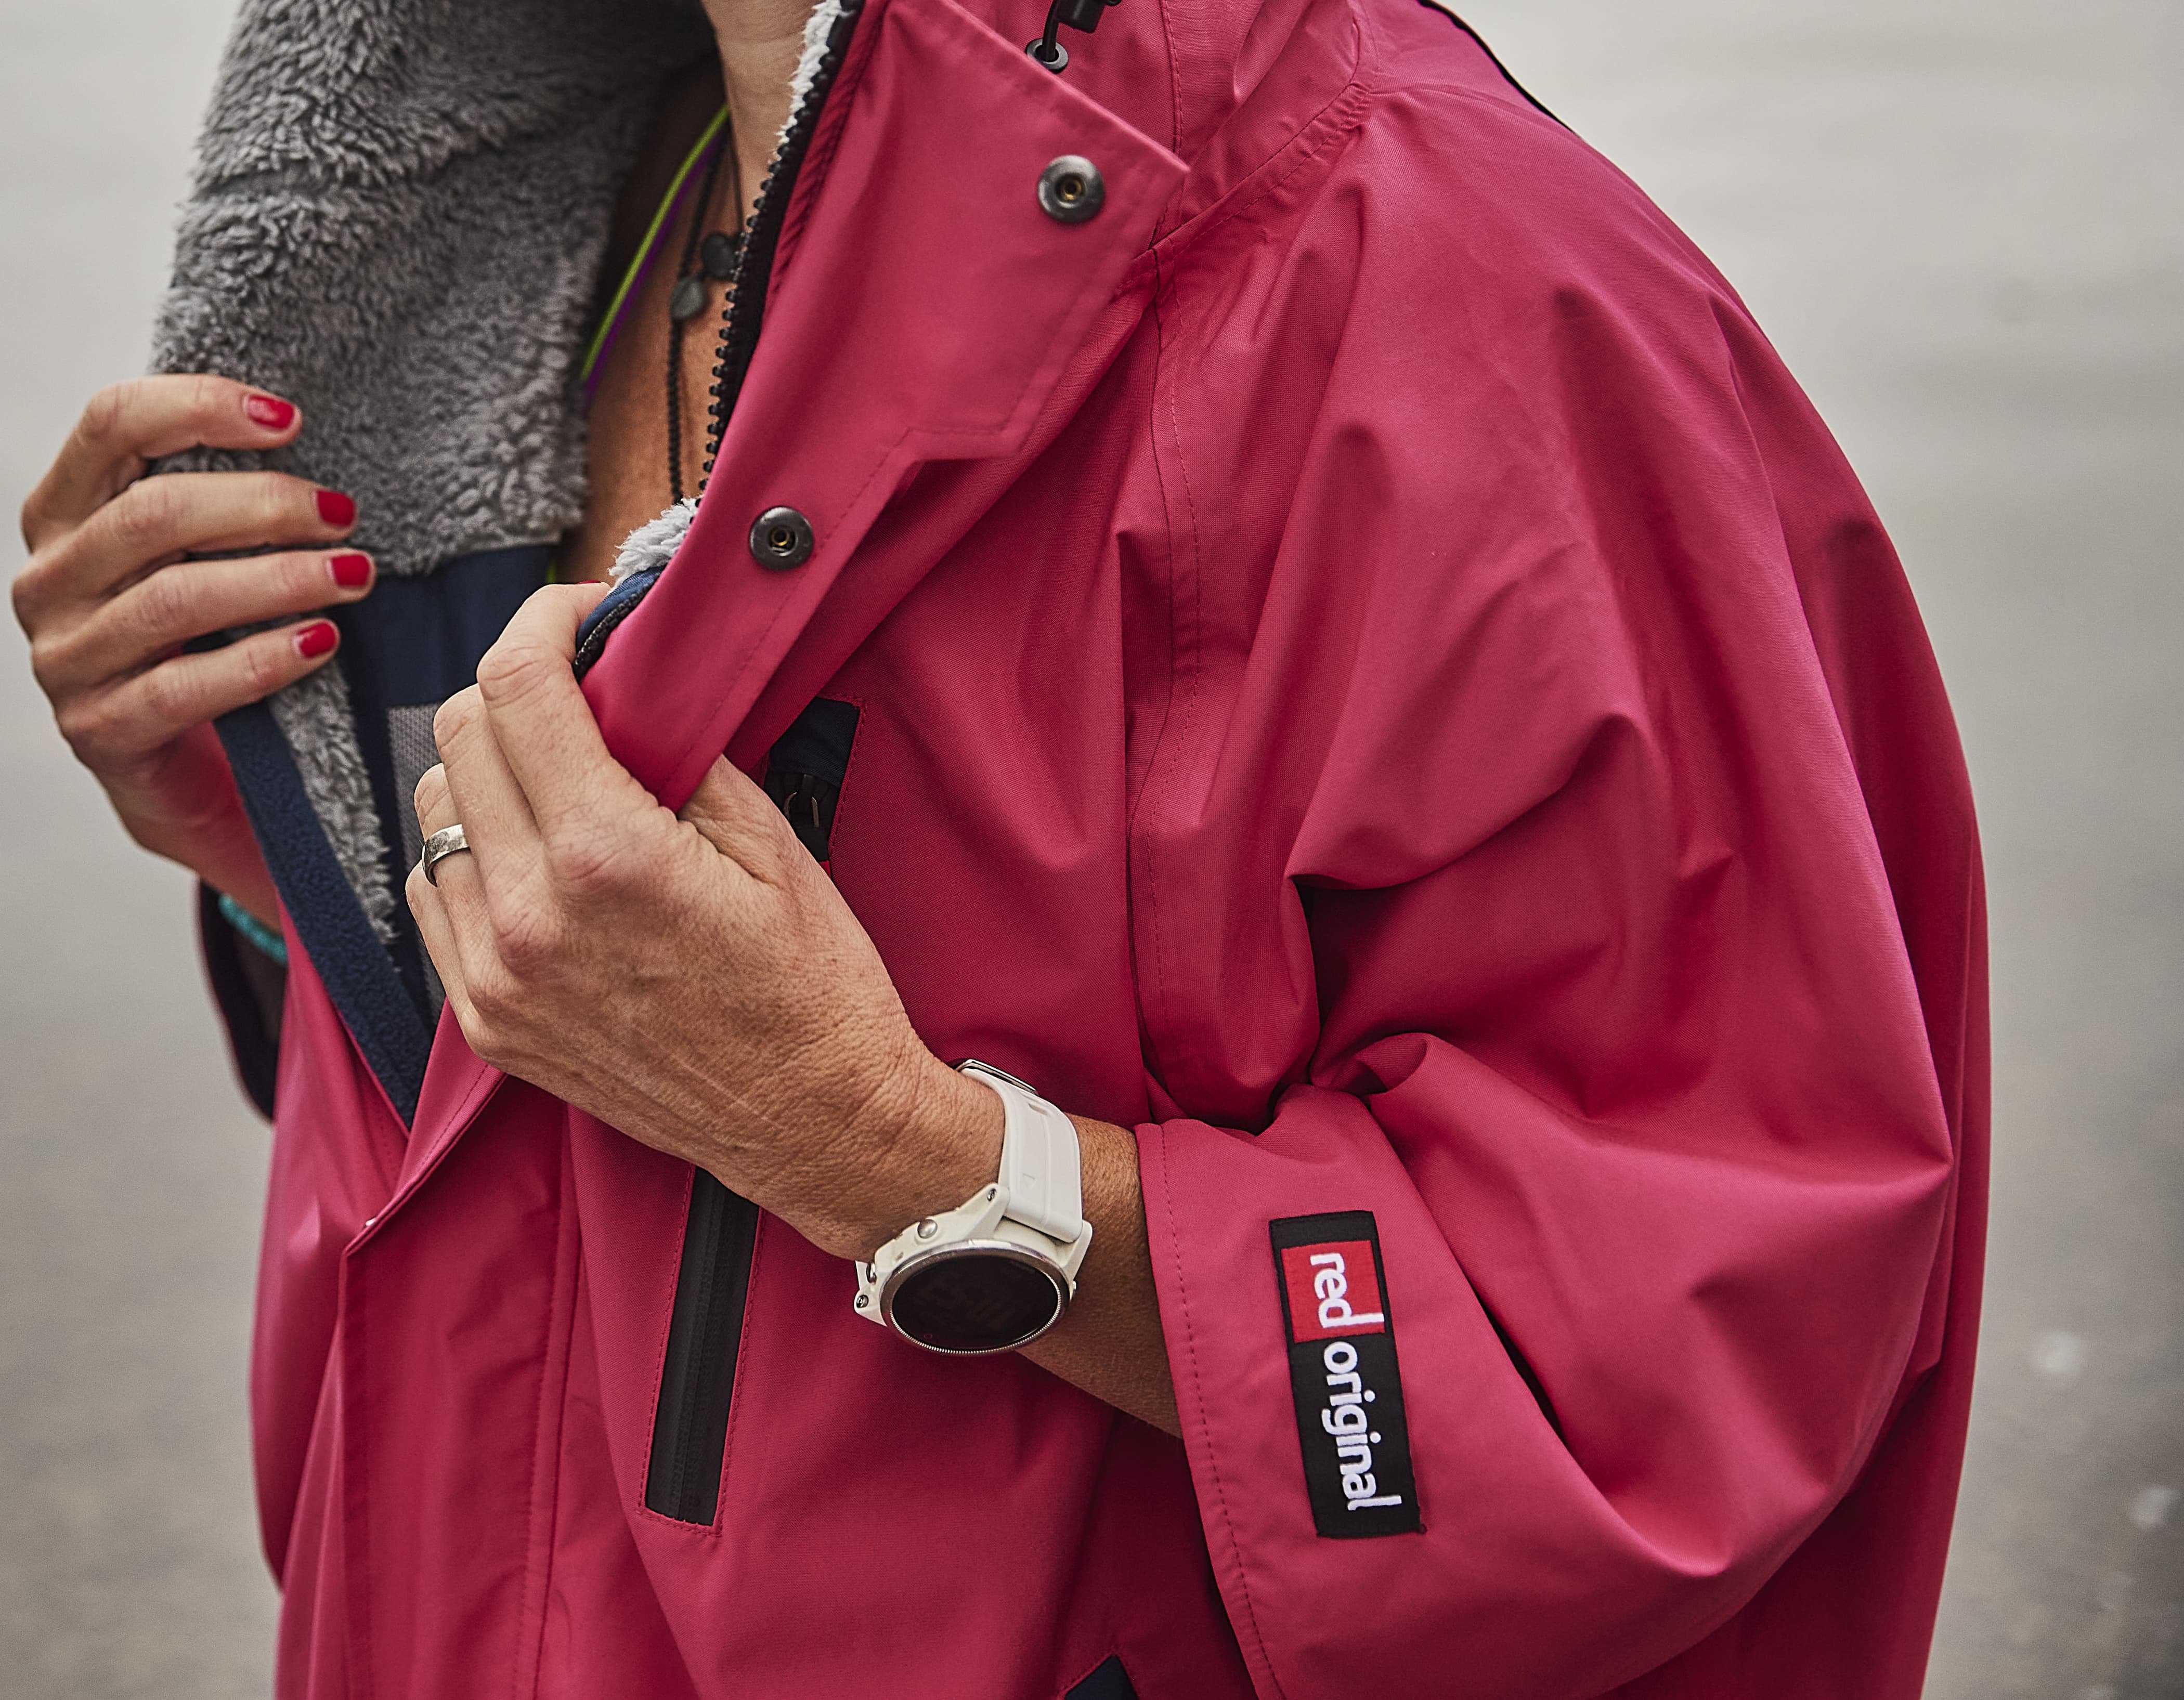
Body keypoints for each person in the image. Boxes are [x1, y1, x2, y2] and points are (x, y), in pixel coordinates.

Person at [11, 0, 1988, 1695]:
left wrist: (891, 1154)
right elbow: (550, 1154)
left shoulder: (1436, 278)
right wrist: (290, 854)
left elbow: (1666, 1362)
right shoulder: (519, 226)